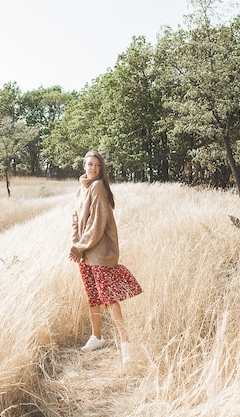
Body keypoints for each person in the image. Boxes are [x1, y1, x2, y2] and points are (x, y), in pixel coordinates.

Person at [69, 150, 142, 364]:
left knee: (108, 297)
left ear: (101, 169)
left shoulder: (98, 187)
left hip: (99, 251)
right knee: (92, 295)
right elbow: (75, 219)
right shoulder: (80, 190)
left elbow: (97, 224)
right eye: (89, 164)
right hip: (85, 252)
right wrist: (76, 245)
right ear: (84, 165)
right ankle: (97, 337)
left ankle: (126, 343)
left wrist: (81, 246)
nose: (92, 168)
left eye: (96, 165)